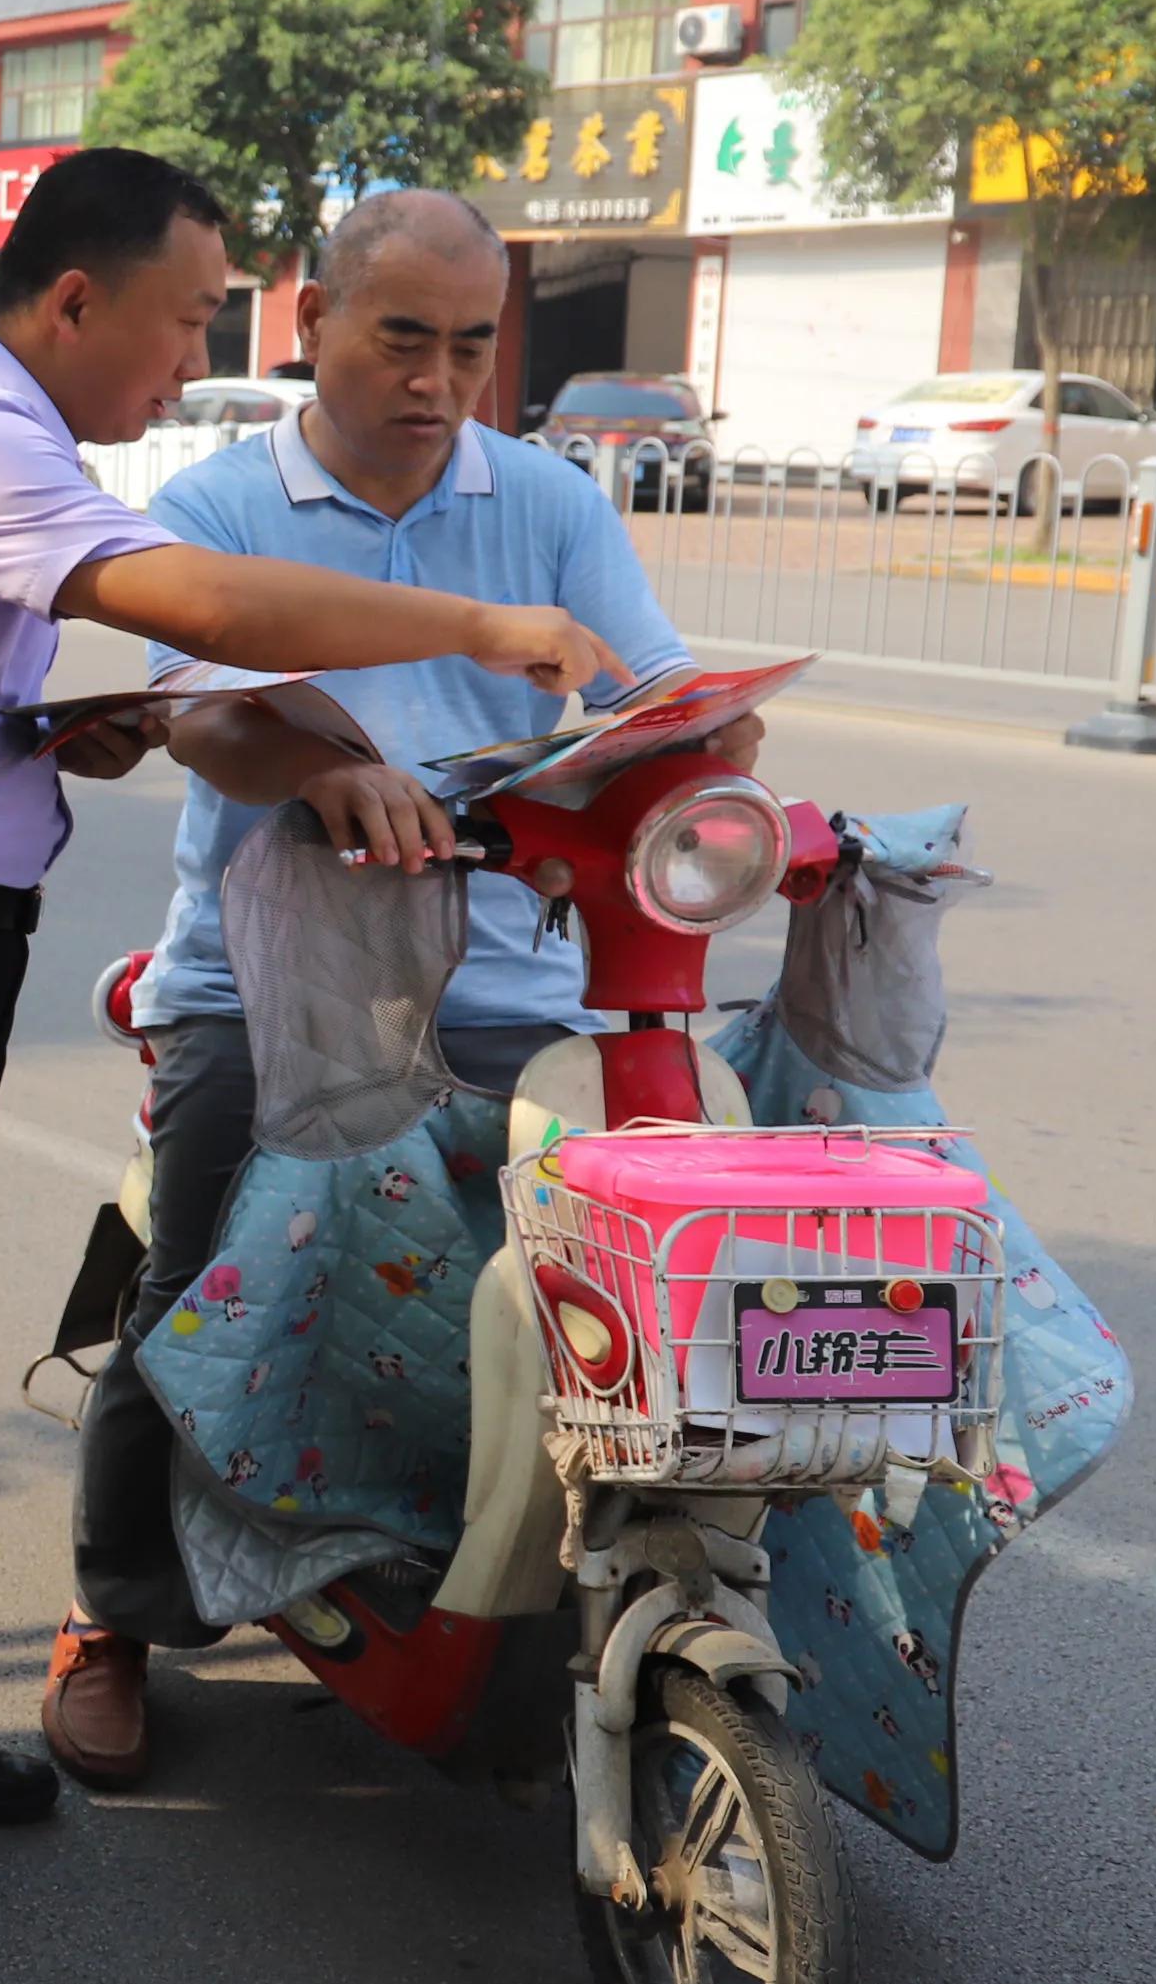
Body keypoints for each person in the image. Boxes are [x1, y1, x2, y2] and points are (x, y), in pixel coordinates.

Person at [0, 147, 620, 1929]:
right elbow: (209, 611)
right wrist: (483, 627)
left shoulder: (14, 441)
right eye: (186, 320)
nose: (193, 363)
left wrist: (49, 726)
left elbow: (33, 679)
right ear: (77, 300)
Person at [42, 188, 759, 1786]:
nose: (439, 379)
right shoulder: (222, 502)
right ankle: (116, 1617)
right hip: (265, 975)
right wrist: (322, 771)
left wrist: (707, 745)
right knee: (199, 1280)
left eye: (472, 346)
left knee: (624, 1279)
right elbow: (204, 716)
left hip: (511, 977)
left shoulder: (550, 505)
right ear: (312, 323)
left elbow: (635, 691)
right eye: (403, 338)